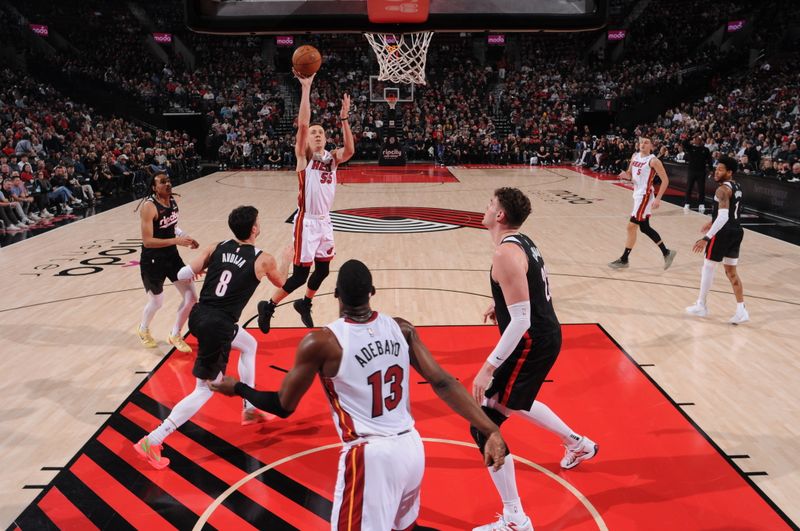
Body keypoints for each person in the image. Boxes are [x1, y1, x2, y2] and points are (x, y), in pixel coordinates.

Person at [211, 259, 509, 531]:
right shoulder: (401, 328)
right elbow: (443, 382)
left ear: (336, 294)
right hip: (411, 448)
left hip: (371, 455)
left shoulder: (322, 342)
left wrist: (238, 388)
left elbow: (282, 406)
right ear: (372, 292)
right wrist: (490, 429)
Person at [471, 187, 597, 531]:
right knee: (515, 401)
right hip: (542, 336)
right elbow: (529, 291)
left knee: (484, 423)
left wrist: (488, 367)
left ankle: (515, 519)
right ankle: (578, 444)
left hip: (532, 341)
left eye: (489, 203)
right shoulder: (521, 241)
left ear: (499, 215)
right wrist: (502, 305)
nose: (484, 207)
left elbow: (523, 318)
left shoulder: (504, 255)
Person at [134, 206, 292, 468]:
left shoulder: (216, 246)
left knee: (249, 344)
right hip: (217, 325)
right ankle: (153, 439)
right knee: (204, 389)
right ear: (254, 229)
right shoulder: (264, 259)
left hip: (198, 317)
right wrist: (288, 257)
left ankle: (249, 408)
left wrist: (202, 270)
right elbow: (282, 281)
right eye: (258, 221)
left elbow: (184, 274)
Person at [257, 71, 355, 332]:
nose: (317, 134)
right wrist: (306, 88)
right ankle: (268, 305)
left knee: (322, 271)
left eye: (321, 131)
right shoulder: (304, 159)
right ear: (307, 140)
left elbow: (350, 151)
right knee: (301, 275)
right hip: (307, 221)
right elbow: (302, 124)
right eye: (314, 132)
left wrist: (344, 119)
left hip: (325, 221)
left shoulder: (332, 159)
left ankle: (305, 304)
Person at [136, 172, 199, 353]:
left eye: (169, 180)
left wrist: (184, 236)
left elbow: (172, 225)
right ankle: (143, 329)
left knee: (191, 297)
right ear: (154, 188)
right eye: (162, 182)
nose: (167, 184)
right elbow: (147, 241)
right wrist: (175, 241)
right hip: (152, 260)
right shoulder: (149, 207)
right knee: (157, 302)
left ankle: (175, 334)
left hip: (172, 256)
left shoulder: (172, 201)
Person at [686, 156, 748, 324]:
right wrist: (711, 221)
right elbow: (730, 213)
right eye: (716, 168)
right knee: (731, 272)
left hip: (724, 232)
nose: (716, 172)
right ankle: (741, 310)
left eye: (721, 170)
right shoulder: (737, 186)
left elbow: (722, 217)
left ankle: (701, 305)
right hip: (737, 231)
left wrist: (706, 238)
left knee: (708, 266)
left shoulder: (722, 190)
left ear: (729, 172)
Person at [609, 137, 678, 270]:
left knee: (631, 226)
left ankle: (624, 260)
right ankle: (667, 252)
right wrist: (625, 175)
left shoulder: (654, 161)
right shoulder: (634, 156)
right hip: (637, 195)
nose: (642, 144)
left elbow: (665, 180)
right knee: (644, 227)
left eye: (646, 142)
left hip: (645, 196)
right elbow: (630, 174)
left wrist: (658, 199)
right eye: (641, 142)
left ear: (651, 146)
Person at [682, 134, 712, 211]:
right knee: (689, 188)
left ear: (701, 141)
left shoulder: (705, 150)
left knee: (701, 189)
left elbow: (709, 160)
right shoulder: (690, 148)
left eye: (699, 139)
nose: (697, 140)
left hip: (701, 172)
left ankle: (701, 204)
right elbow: (684, 143)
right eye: (696, 139)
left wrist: (711, 170)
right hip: (691, 171)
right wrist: (690, 137)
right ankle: (687, 203)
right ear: (694, 140)